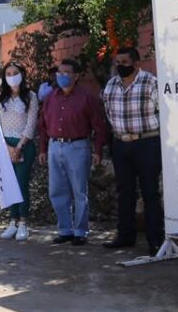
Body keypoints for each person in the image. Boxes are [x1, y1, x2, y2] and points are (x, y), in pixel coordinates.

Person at [37, 59, 107, 246]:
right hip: (54, 146)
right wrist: (43, 148)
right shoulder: (51, 98)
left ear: (76, 76)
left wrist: (97, 151)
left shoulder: (87, 98)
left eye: (67, 72)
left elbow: (99, 127)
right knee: (57, 190)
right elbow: (42, 126)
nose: (62, 76)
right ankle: (65, 230)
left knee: (79, 191)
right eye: (59, 72)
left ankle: (80, 231)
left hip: (78, 146)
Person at [101, 46, 165, 253]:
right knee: (124, 192)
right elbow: (109, 114)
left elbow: (163, 111)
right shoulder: (111, 85)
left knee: (150, 193)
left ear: (137, 64)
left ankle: (155, 240)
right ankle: (125, 236)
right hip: (121, 144)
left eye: (125, 63)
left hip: (147, 143)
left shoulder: (151, 83)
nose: (120, 66)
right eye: (117, 63)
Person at [0, 62, 39, 241]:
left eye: (15, 72)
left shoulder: (31, 96)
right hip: (5, 146)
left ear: (22, 74)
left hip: (23, 146)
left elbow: (31, 124)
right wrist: (7, 147)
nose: (12, 76)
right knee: (9, 185)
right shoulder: (0, 97)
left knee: (21, 185)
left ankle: (23, 223)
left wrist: (19, 147)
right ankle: (12, 221)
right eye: (8, 73)